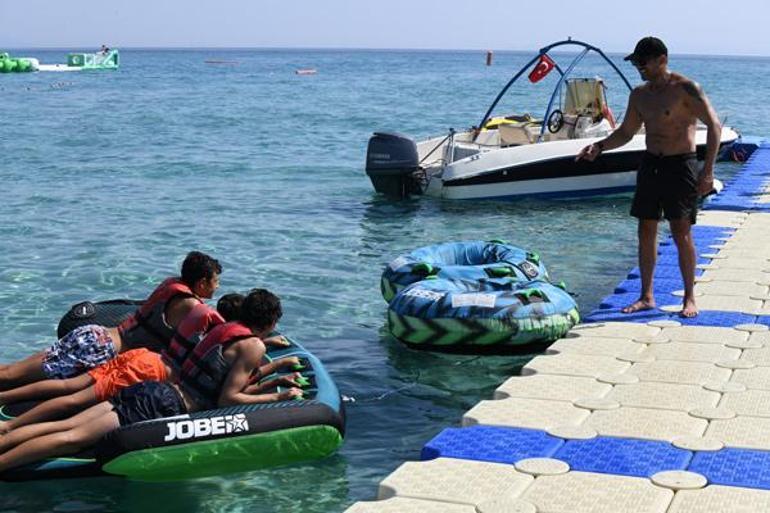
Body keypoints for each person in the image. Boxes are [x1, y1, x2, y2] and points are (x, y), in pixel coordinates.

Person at [0, 289, 303, 472]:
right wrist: (278, 398)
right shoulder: (254, 346)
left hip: (154, 389)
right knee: (71, 438)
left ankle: (6, 434)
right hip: (165, 404)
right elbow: (228, 399)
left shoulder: (225, 330)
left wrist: (275, 370)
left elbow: (219, 379)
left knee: (65, 426)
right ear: (270, 322)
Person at [576, 37, 722, 318]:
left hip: (681, 166)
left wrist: (708, 171)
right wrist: (599, 147)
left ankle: (689, 297)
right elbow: (626, 132)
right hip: (651, 165)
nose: (639, 67)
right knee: (645, 230)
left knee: (681, 233)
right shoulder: (640, 95)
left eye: (643, 62)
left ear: (662, 60)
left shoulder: (686, 89)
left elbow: (714, 127)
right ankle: (646, 296)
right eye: (635, 63)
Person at [0, 251, 222, 390]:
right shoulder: (192, 306)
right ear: (202, 282)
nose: (217, 286)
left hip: (93, 334)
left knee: (12, 371)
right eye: (215, 281)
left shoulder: (171, 284)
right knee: (15, 377)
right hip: (101, 349)